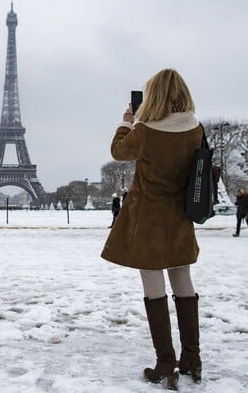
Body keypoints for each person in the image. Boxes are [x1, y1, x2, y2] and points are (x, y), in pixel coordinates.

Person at [101, 69, 203, 390]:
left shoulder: (145, 131)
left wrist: (127, 122)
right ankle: (192, 359)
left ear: (154, 96)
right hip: (180, 217)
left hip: (149, 219)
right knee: (183, 281)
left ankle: (165, 363)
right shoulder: (195, 129)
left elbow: (118, 151)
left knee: (153, 284)